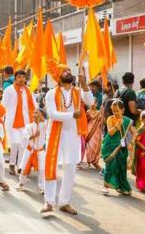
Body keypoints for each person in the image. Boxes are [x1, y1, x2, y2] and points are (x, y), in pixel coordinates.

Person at [41, 65, 94, 215]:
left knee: (70, 168)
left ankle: (64, 202)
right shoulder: (51, 94)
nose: (68, 73)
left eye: (69, 71)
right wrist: (72, 115)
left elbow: (90, 102)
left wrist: (84, 84)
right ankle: (49, 202)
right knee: (51, 167)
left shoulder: (78, 92)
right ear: (58, 76)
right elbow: (52, 114)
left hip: (73, 135)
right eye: (65, 71)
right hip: (55, 135)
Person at [1, 70, 38, 175]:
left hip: (25, 122)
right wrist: (0, 119)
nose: (22, 79)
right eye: (19, 77)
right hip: (12, 122)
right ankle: (12, 164)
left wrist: (37, 115)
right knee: (15, 144)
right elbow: (3, 105)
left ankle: (20, 166)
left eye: (23, 77)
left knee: (23, 145)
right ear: (15, 78)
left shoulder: (28, 91)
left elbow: (34, 105)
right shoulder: (9, 90)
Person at [101, 99, 134, 196]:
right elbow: (110, 132)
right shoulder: (110, 119)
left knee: (121, 167)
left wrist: (131, 142)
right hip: (110, 145)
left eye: (117, 111)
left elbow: (134, 132)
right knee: (110, 165)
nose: (115, 113)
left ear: (122, 110)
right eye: (113, 111)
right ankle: (105, 185)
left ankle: (121, 186)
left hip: (122, 146)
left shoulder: (127, 120)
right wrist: (116, 126)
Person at [16, 109, 47, 193]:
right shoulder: (29, 126)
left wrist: (42, 119)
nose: (34, 114)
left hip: (40, 151)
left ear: (42, 116)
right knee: (24, 168)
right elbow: (26, 136)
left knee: (42, 170)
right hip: (29, 151)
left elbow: (49, 124)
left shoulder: (44, 125)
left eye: (36, 113)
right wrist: (34, 136)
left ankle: (41, 187)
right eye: (33, 112)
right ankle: (21, 183)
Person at [85, 102, 103, 171]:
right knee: (90, 146)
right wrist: (100, 112)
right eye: (92, 103)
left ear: (97, 104)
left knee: (96, 146)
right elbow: (92, 118)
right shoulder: (88, 112)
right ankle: (90, 160)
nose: (93, 104)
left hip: (97, 131)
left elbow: (101, 122)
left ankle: (95, 161)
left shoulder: (99, 112)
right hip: (90, 130)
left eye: (95, 103)